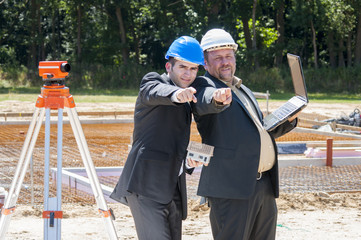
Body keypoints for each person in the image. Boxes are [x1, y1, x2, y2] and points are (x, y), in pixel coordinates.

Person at [110, 36, 231, 240]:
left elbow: (201, 100)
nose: (188, 73)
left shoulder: (192, 90)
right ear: (169, 66)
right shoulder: (152, 81)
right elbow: (156, 92)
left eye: (193, 69)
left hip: (173, 188)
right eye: (183, 67)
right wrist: (177, 94)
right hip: (145, 186)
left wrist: (188, 160)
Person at [190, 28, 300, 240]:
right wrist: (217, 98)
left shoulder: (244, 89)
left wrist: (289, 119)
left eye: (229, 56)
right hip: (231, 189)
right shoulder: (204, 86)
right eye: (218, 57)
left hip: (263, 185)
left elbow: (260, 131)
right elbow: (206, 101)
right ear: (205, 63)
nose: (225, 62)